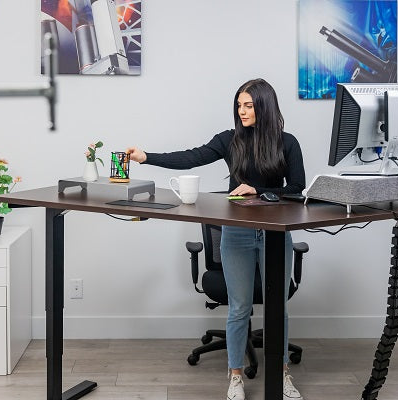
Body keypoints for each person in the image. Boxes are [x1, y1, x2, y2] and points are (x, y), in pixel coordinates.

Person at [127, 78, 306, 400]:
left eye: (249, 105)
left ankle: (282, 373)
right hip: (236, 233)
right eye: (239, 105)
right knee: (239, 308)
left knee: (278, 309)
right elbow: (190, 157)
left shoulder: (287, 142)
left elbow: (297, 188)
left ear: (265, 106)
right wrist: (145, 157)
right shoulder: (229, 140)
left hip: (276, 234)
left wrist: (261, 191)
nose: (242, 110)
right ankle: (235, 375)